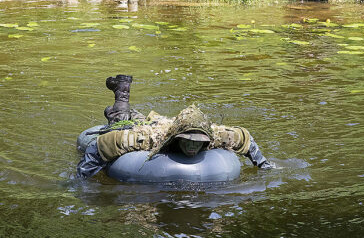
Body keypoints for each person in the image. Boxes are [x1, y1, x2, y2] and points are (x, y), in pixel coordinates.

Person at [77, 75, 276, 179]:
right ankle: (121, 96)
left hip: (167, 123)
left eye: (198, 143)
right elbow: (102, 145)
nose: (192, 147)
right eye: (188, 142)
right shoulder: (148, 138)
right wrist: (82, 179)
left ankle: (124, 95)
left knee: (141, 118)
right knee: (121, 123)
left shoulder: (216, 135)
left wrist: (264, 166)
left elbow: (245, 139)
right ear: (177, 140)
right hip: (156, 127)